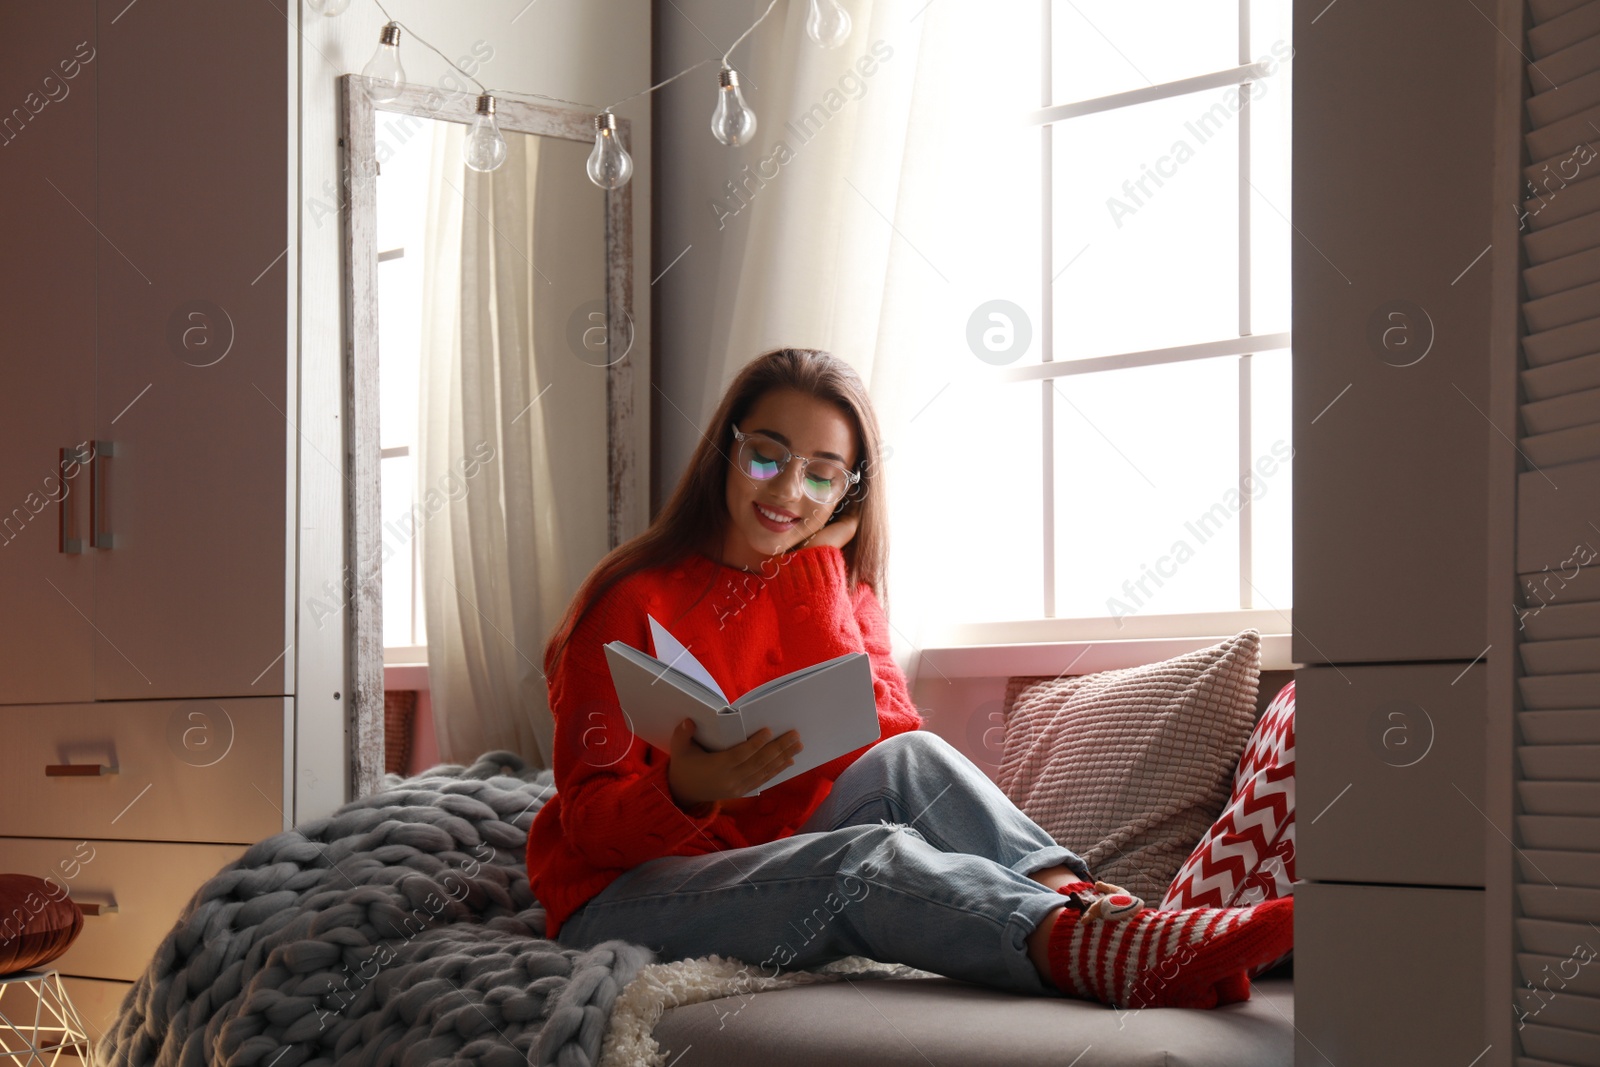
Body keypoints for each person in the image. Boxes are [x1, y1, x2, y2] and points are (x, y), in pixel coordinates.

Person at [527, 347, 1292, 1009]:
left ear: (848, 491)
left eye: (822, 476)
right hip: (622, 892)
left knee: (912, 762)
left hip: (763, 851)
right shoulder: (629, 599)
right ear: (725, 450)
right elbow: (590, 817)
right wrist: (684, 790)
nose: (788, 491)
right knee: (862, 858)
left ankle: (1105, 915)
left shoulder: (836, 584)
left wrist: (820, 569)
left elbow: (889, 741)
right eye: (765, 456)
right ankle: (1086, 951)